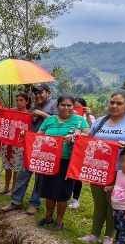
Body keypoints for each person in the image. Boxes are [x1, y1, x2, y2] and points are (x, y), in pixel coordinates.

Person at [78, 91, 125, 244]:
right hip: (98, 168)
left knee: (113, 204)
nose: (114, 106)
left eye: (119, 103)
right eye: (112, 102)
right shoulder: (101, 120)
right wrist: (79, 135)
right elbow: (90, 137)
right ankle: (94, 234)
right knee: (99, 202)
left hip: (120, 170)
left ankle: (110, 235)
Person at [36, 95, 90, 230]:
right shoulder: (49, 120)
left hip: (68, 161)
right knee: (48, 190)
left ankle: (59, 221)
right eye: (63, 105)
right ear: (57, 106)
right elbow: (39, 134)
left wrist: (76, 136)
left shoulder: (79, 121)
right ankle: (48, 217)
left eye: (69, 105)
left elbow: (88, 136)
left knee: (63, 192)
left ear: (73, 106)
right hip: (49, 159)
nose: (66, 108)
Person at [2, 92, 43, 214]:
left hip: (24, 145)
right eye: (17, 100)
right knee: (13, 169)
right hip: (11, 142)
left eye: (21, 100)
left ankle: (20, 196)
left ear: (26, 101)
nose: (19, 102)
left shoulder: (31, 114)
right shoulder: (12, 111)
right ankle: (12, 194)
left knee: (20, 170)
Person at [69, 98, 96, 209]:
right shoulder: (69, 117)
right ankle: (66, 196)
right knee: (67, 174)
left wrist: (88, 115)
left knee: (76, 175)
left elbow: (94, 131)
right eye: (73, 106)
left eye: (78, 107)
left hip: (81, 149)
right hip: (69, 148)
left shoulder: (89, 117)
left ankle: (75, 199)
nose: (75, 109)